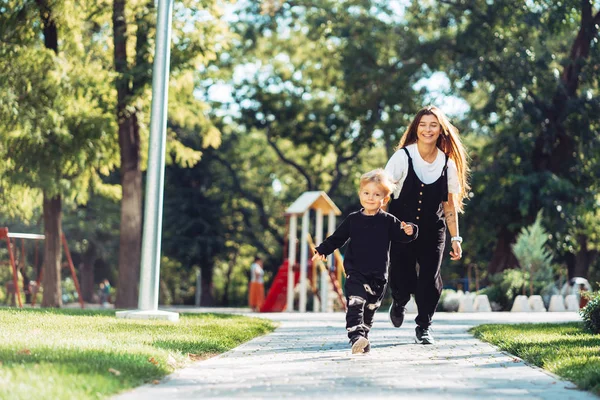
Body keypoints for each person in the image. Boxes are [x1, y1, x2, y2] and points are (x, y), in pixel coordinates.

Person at [385, 105, 470, 345]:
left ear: (441, 130)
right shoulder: (403, 157)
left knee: (430, 278)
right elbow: (383, 193)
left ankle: (424, 326)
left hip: (434, 230)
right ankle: (400, 300)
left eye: (433, 125)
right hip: (402, 230)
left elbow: (450, 206)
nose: (427, 129)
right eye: (422, 125)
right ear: (416, 128)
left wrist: (456, 238)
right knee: (402, 276)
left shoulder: (447, 164)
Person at [312, 169, 418, 354]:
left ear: (384, 200)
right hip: (355, 272)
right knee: (355, 302)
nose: (370, 198)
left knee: (370, 309)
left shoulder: (388, 221)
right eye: (366, 193)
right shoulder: (353, 220)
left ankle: (363, 337)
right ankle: (355, 336)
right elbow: (337, 238)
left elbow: (403, 237)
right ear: (360, 194)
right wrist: (322, 250)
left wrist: (411, 230)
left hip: (378, 276)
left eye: (376, 194)